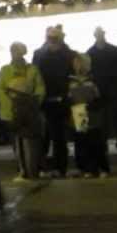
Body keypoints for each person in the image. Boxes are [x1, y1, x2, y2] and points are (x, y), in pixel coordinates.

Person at [0, 42, 46, 182]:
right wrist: (12, 105)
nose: (17, 54)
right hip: (13, 113)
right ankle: (23, 170)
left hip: (30, 112)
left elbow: (40, 88)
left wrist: (34, 103)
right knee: (17, 143)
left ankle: (36, 169)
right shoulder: (4, 70)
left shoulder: (32, 69)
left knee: (34, 141)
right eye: (15, 51)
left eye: (20, 52)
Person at [33, 25, 76, 178]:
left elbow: (74, 76)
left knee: (59, 136)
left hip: (63, 100)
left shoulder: (69, 55)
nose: (52, 42)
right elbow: (35, 76)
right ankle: (43, 167)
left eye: (55, 38)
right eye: (50, 38)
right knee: (44, 136)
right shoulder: (39, 55)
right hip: (45, 100)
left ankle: (59, 167)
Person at [87, 27, 117, 156]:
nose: (99, 36)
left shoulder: (111, 51)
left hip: (112, 88)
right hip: (100, 90)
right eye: (98, 34)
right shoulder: (93, 52)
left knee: (115, 117)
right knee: (103, 118)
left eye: (100, 34)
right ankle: (106, 145)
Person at [68, 54, 105, 178]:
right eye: (76, 63)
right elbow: (69, 97)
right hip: (79, 111)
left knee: (94, 139)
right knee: (81, 140)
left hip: (92, 112)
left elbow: (100, 96)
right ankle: (84, 168)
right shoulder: (71, 80)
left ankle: (99, 167)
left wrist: (94, 104)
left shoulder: (93, 79)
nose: (78, 66)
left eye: (81, 63)